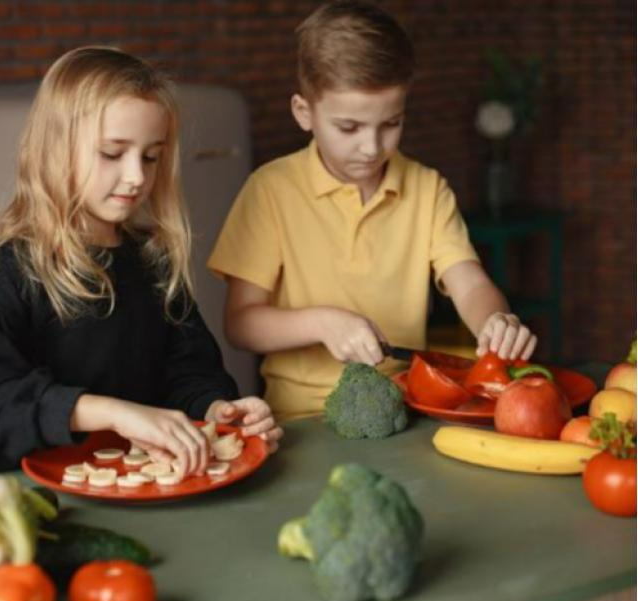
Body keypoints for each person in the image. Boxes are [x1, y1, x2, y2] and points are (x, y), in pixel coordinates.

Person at [0, 47, 282, 473]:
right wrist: (113, 412)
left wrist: (216, 411)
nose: (137, 176)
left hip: (149, 486)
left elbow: (189, 372)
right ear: (56, 150)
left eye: (151, 156)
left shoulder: (154, 262)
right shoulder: (20, 267)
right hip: (56, 496)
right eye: (113, 153)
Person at [208, 1, 537, 420]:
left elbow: (469, 285)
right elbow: (240, 325)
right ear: (304, 113)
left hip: (406, 407)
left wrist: (495, 320)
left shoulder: (427, 188)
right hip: (300, 419)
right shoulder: (269, 191)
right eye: (349, 128)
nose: (371, 147)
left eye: (391, 123)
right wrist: (321, 323)